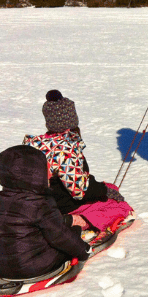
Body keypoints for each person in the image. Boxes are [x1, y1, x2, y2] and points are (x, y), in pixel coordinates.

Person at [23, 90, 131, 237]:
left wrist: (103, 188)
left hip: (41, 203)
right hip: (61, 205)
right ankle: (80, 221)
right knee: (120, 206)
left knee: (110, 187)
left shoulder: (36, 143)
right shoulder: (64, 149)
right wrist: (104, 192)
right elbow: (79, 190)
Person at [0, 145, 91, 279]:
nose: (49, 173)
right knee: (72, 232)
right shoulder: (41, 203)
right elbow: (60, 236)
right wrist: (83, 250)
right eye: (46, 170)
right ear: (35, 175)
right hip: (36, 267)